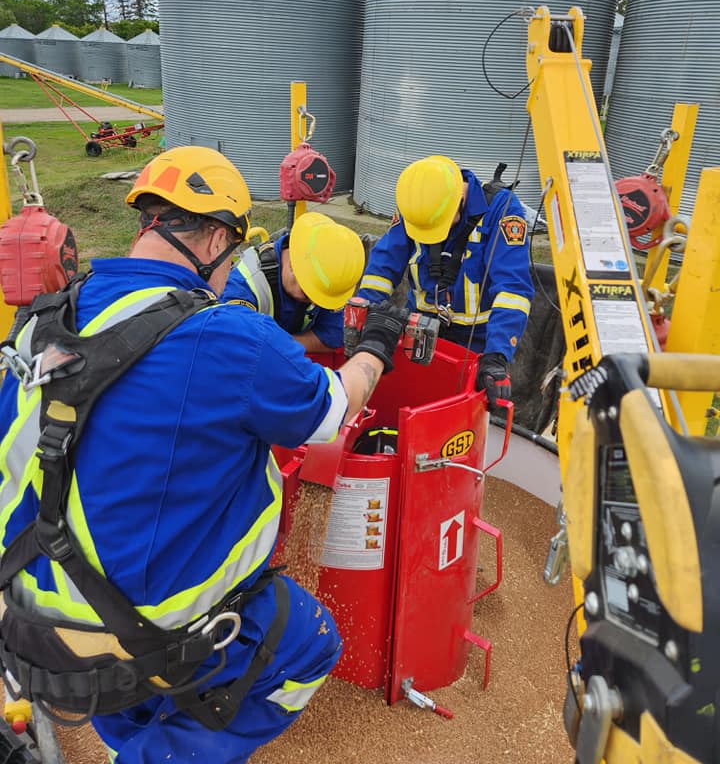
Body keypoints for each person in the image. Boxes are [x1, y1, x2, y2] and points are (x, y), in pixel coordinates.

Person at [0, 146, 407, 764]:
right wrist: (376, 344)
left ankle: (130, 735)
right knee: (308, 646)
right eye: (232, 250)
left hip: (24, 618)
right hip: (132, 633)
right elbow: (335, 411)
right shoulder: (225, 335)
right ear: (215, 236)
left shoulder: (41, 320)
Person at [358, 155, 534, 410]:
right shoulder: (417, 204)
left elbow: (513, 288)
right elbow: (383, 265)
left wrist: (496, 355)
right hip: (418, 329)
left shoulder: (502, 211)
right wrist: (364, 310)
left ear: (460, 202)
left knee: (459, 416)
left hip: (476, 341)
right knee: (410, 405)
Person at [223, 211, 366, 352]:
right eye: (308, 294)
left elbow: (332, 336)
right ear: (293, 264)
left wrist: (283, 345)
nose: (315, 303)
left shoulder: (327, 275)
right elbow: (236, 350)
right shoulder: (241, 289)